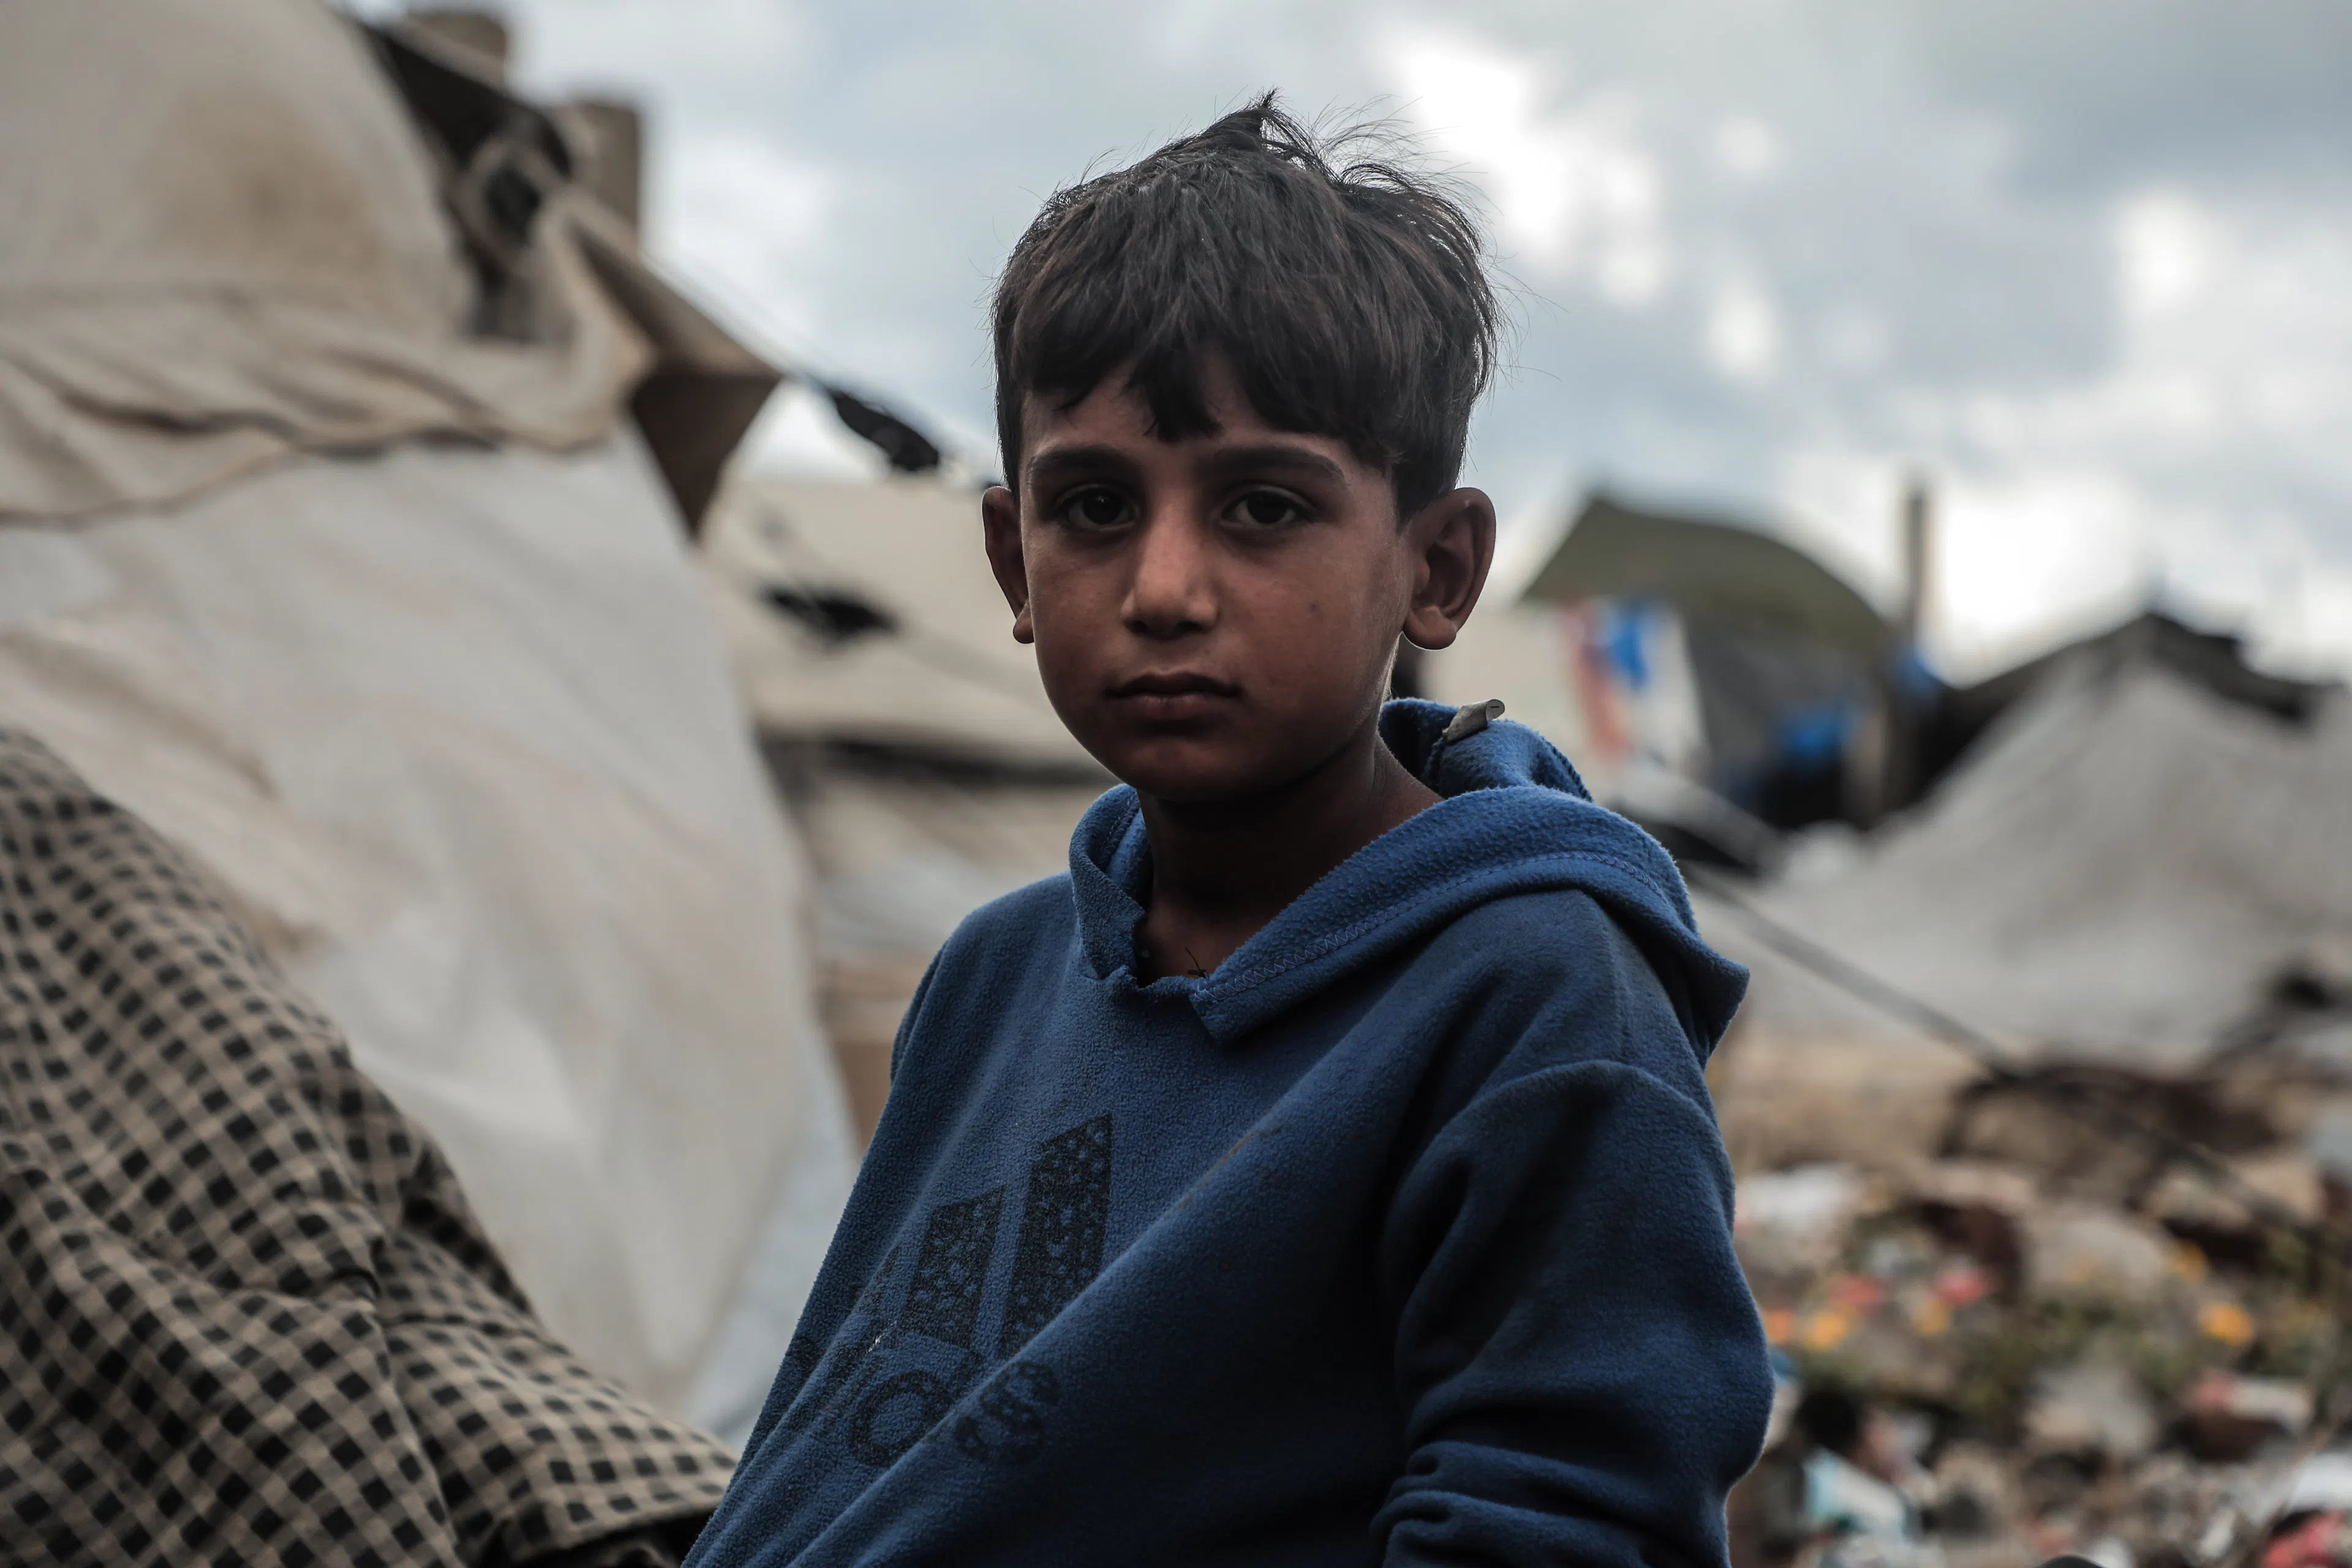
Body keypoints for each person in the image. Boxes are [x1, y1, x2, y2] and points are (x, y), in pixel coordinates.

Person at [686, 96, 1770, 1567]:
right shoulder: (996, 975)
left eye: (1262, 505)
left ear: (1435, 569)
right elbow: (847, 1438)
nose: (1166, 586)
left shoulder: (1538, 1002)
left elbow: (1567, 1523)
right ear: (1013, 559)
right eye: (1094, 506)